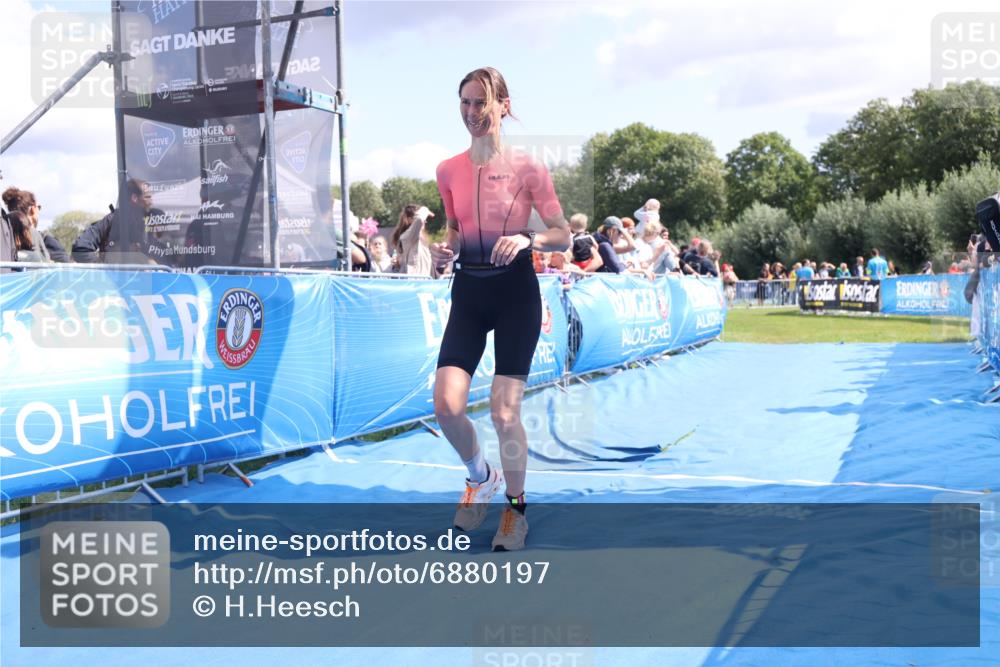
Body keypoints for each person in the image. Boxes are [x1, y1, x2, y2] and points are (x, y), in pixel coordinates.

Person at [429, 67, 571, 551]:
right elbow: (453, 227)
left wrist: (526, 237)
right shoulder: (448, 169)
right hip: (468, 293)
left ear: (503, 106)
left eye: (480, 104)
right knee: (446, 406)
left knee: (503, 411)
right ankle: (479, 476)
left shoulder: (529, 167)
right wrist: (442, 251)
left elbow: (563, 235)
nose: (471, 113)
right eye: (464, 103)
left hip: (515, 293)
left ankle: (515, 510)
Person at [72, 178, 152, 262]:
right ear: (134, 198)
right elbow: (81, 248)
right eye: (147, 197)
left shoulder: (144, 226)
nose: (151, 202)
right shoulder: (111, 221)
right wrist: (103, 270)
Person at [391, 204, 437, 277]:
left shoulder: (419, 238)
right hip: (415, 283)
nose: (425, 222)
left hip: (425, 282)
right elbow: (419, 219)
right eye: (424, 219)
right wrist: (425, 209)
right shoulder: (408, 236)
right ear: (409, 220)